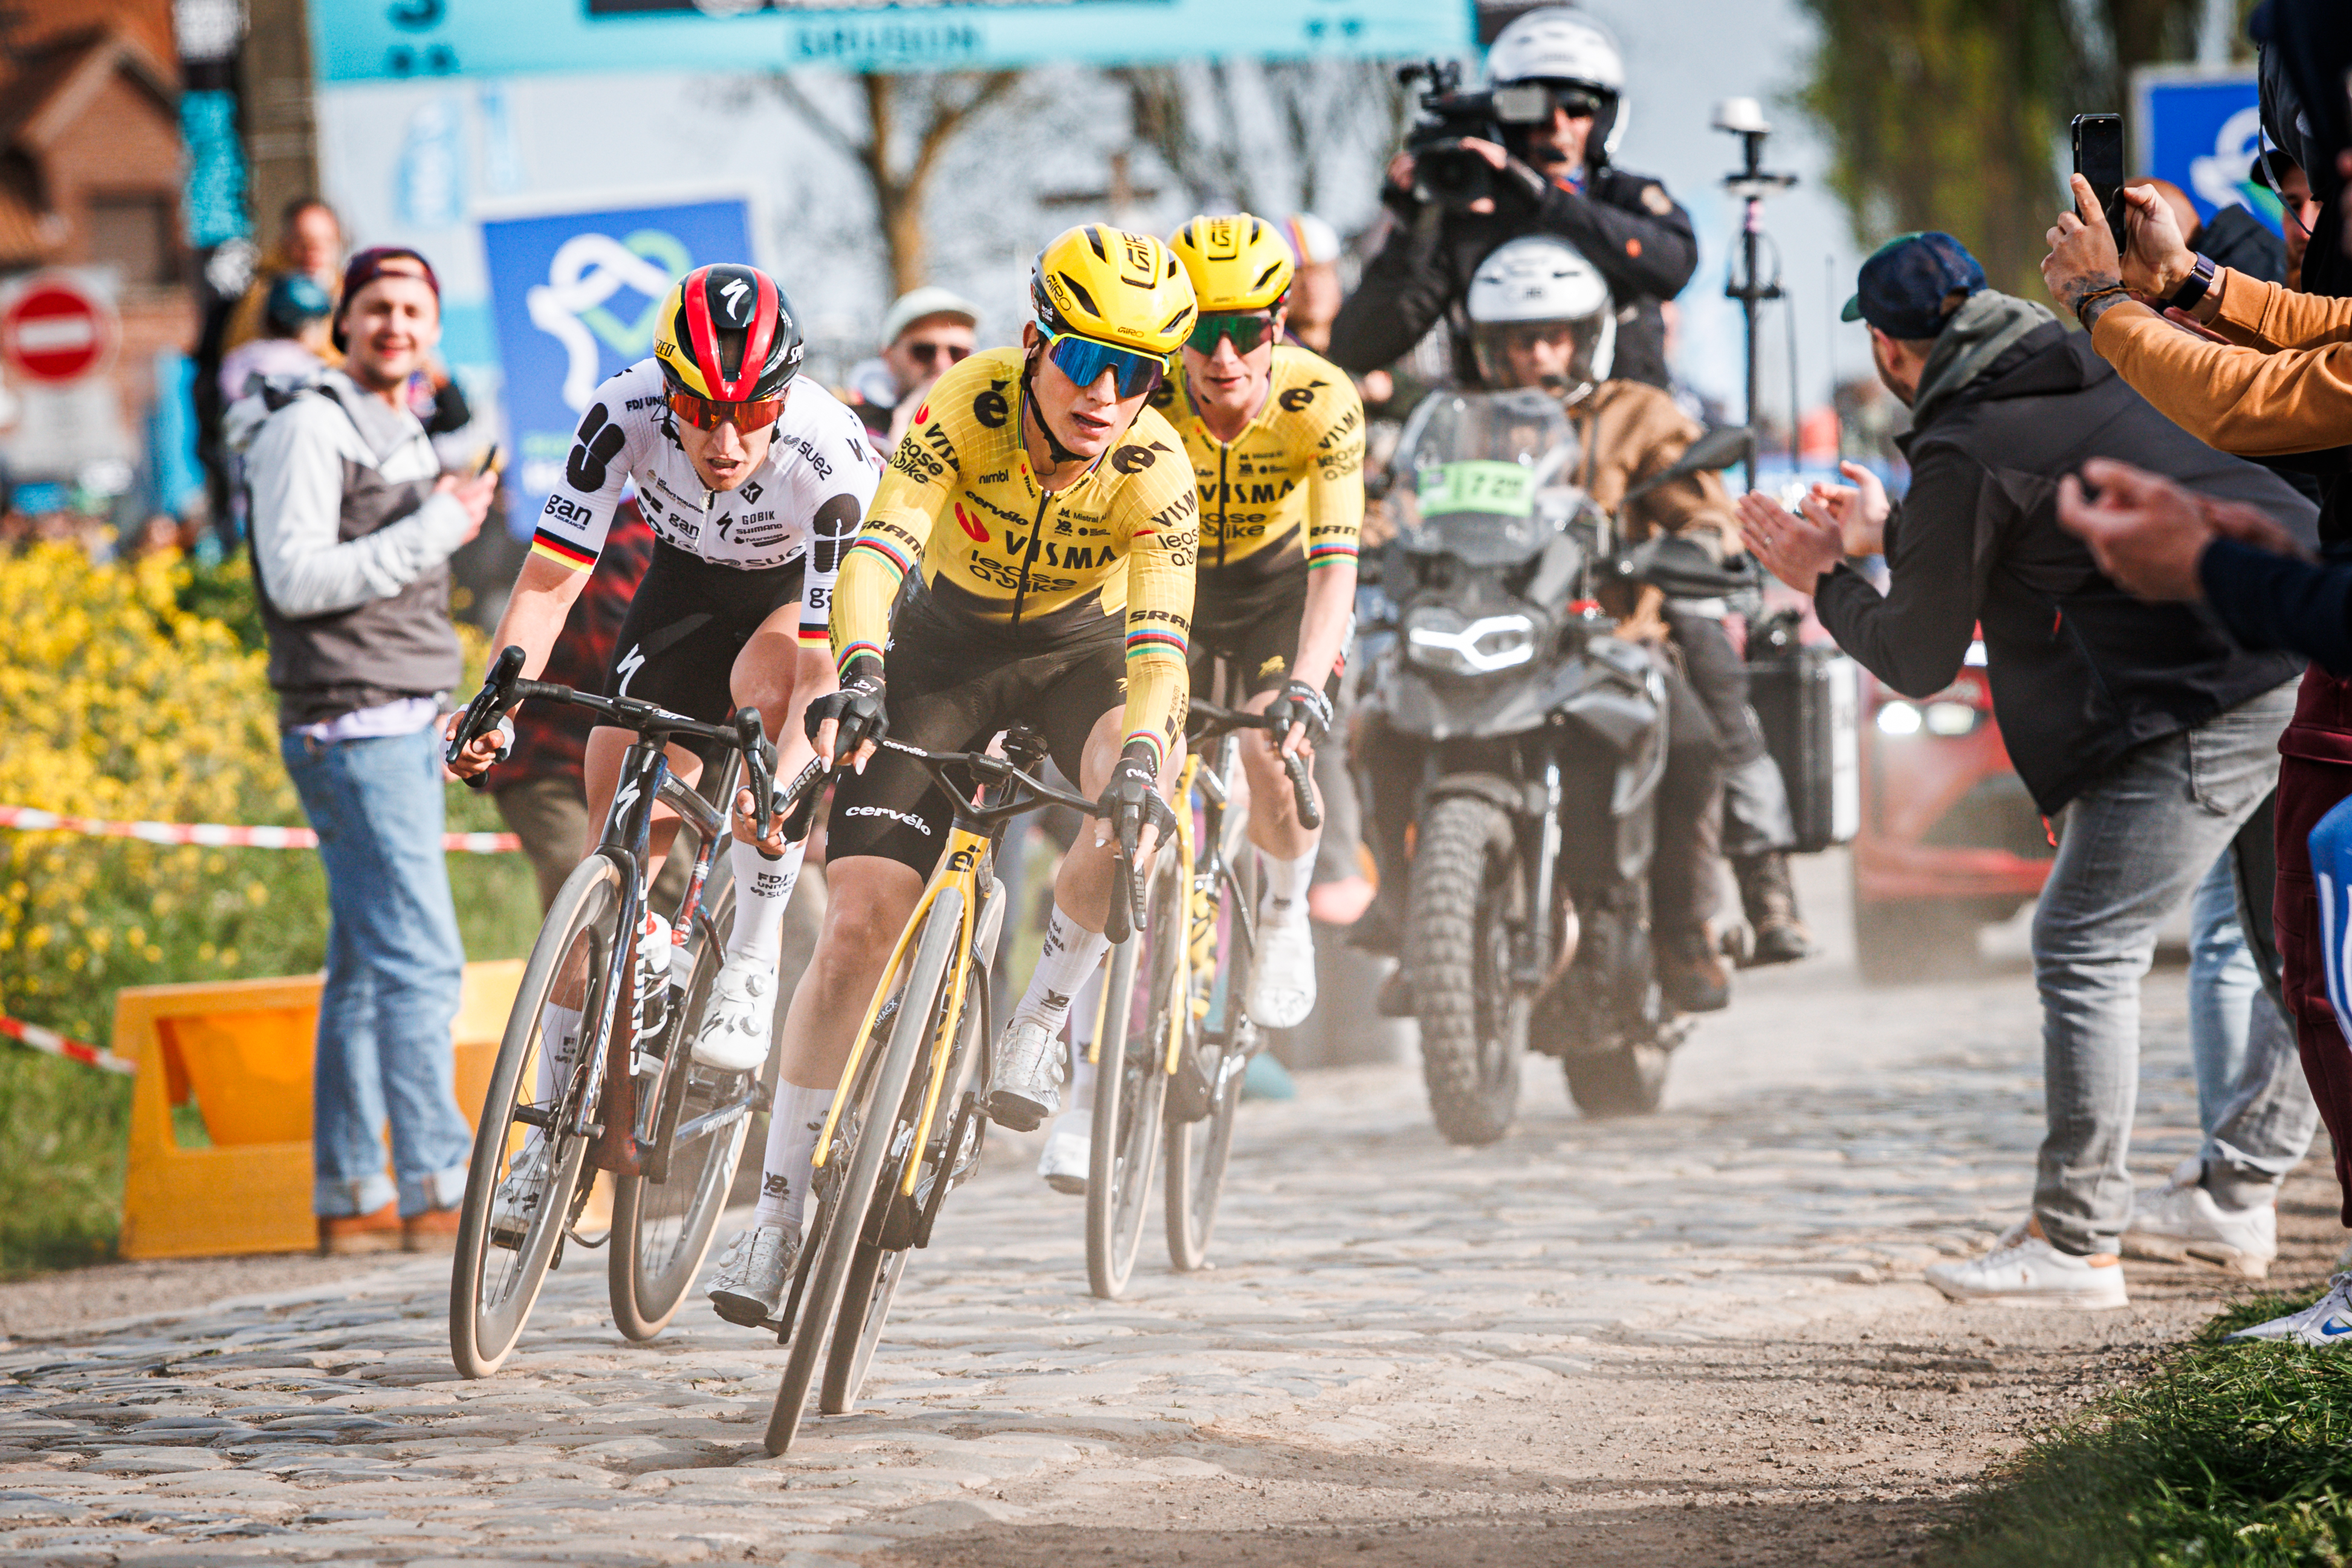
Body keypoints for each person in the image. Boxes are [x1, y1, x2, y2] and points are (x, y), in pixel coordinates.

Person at [1735, 230, 2312, 1309]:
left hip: (2205, 692)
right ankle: (2238, 1187)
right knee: (2295, 947)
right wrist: (1893, 530)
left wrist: (1826, 575)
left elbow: (1914, 654)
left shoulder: (1963, 438)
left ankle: (2077, 1239)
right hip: (2298, 644)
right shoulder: (2090, 360)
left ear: (1886, 349)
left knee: (2084, 939)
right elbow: (2029, 522)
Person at [705, 224, 1199, 1329]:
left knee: (1136, 797)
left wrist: (1148, 759)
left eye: (1137, 372)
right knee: (854, 926)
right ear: (1035, 343)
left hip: (1083, 654)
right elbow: (878, 552)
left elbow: (1162, 645)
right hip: (946, 649)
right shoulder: (963, 404)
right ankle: (776, 1213)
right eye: (1085, 359)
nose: (1106, 391)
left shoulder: (1156, 466)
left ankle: (1043, 1016)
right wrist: (866, 670)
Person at [447, 263, 879, 1249]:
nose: (723, 440)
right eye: (699, 410)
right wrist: (498, 694)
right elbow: (552, 578)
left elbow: (819, 656)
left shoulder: (824, 454)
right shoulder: (622, 410)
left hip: (801, 600)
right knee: (612, 838)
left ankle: (754, 954)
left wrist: (791, 779)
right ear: (665, 386)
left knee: (771, 702)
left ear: (783, 396)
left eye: (747, 411)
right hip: (686, 580)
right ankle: (545, 1142)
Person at [1029, 213, 1361, 1193]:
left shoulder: (1319, 398)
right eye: (1199, 331)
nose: (1219, 356)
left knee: (1271, 750)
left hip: (1270, 597)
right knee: (1123, 824)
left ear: (1280, 323)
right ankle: (1087, 1102)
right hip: (1159, 589)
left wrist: (1305, 685)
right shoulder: (1142, 395)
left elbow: (1339, 567)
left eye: (1245, 329)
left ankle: (1286, 913)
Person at [236, 247, 496, 1255]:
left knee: (364, 968)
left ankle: (351, 1188)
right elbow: (295, 578)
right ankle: (436, 1179)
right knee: (421, 961)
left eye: (414, 309)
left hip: (392, 716)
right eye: (377, 307)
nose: (396, 324)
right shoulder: (309, 426)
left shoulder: (401, 430)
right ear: (340, 322)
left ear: (434, 330)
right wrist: (436, 525)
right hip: (352, 722)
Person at [1459, 233, 1764, 1002]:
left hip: (1610, 637)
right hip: (1486, 641)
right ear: (1491, 345)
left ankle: (1683, 931)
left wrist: (1697, 540)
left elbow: (1705, 508)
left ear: (1587, 336)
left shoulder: (1638, 412)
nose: (1536, 354)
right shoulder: (1463, 419)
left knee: (1694, 746)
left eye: (1553, 335)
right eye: (1519, 338)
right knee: (1377, 723)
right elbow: (1399, 505)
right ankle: (1412, 928)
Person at [1326, 6, 1696, 395]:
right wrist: (1413, 231)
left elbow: (1676, 264)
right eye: (1532, 109)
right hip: (1500, 437)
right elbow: (1358, 348)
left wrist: (1546, 201)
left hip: (1621, 437)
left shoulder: (1625, 198)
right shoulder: (1469, 212)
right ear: (1502, 116)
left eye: (1577, 108)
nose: (1557, 126)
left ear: (1605, 117)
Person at [842, 285, 981, 449]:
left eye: (958, 353)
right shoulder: (852, 426)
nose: (942, 364)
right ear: (889, 357)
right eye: (924, 352)